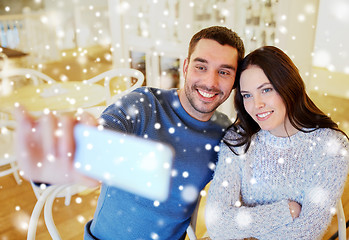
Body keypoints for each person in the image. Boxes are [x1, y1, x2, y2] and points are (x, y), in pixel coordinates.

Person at [14, 26, 245, 240]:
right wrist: (75, 151)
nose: (210, 82)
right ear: (185, 67)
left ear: (235, 81)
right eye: (201, 67)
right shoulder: (143, 104)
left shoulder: (225, 134)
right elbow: (104, 132)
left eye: (224, 72)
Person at [205, 46, 349, 239]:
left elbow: (306, 233)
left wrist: (243, 226)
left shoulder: (332, 146)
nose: (257, 105)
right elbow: (216, 225)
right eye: (247, 95)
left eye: (266, 90)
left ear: (288, 86)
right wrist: (285, 212)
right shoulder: (238, 139)